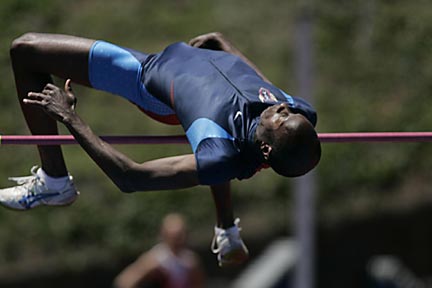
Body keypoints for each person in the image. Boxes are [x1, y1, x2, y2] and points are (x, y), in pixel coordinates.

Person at [0, 32, 321, 267]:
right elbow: (260, 83)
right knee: (216, 156)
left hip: (147, 77)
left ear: (266, 148)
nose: (281, 109)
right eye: (286, 111)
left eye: (281, 119)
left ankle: (54, 181)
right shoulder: (298, 112)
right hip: (186, 64)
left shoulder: (225, 149)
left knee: (25, 50)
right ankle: (226, 230)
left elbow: (130, 177)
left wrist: (71, 117)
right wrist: (224, 46)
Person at [113, 213, 204, 288]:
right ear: (165, 235)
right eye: (175, 236)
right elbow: (124, 282)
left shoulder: (189, 260)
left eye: (181, 235)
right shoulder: (156, 258)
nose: (179, 240)